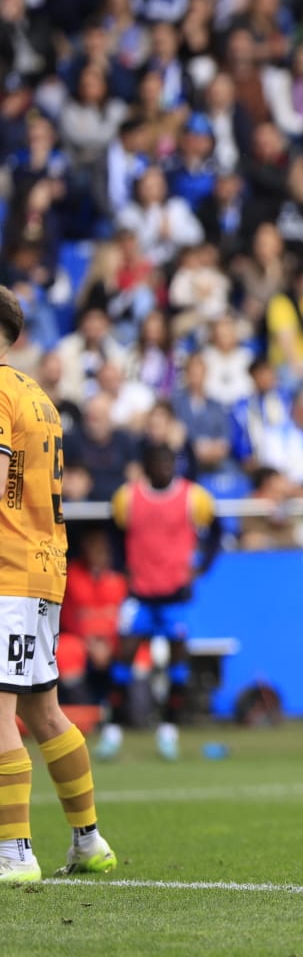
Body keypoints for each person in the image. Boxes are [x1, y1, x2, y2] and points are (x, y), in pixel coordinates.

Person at [0, 285, 117, 882]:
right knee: (45, 710)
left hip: (7, 570)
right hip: (46, 565)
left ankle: (13, 851)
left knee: (3, 713)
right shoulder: (37, 393)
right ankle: (88, 840)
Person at [96, 443, 221, 763]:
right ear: (146, 465)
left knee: (177, 661)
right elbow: (113, 532)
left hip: (175, 593)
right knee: (123, 656)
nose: (164, 466)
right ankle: (112, 731)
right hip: (139, 592)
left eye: (169, 461)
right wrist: (122, 564)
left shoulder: (194, 497)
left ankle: (168, 730)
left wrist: (202, 567)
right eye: (158, 461)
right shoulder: (128, 497)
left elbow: (216, 531)